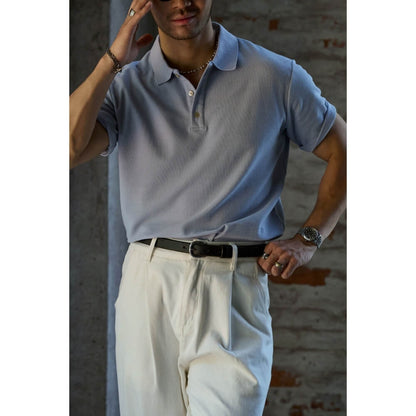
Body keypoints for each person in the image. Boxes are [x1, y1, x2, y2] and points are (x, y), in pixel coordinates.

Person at [70, 0, 346, 415]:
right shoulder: (126, 84)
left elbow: (346, 151)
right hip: (149, 287)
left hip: (234, 288)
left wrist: (309, 239)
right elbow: (68, 149)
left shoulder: (276, 75)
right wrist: (111, 60)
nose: (182, 3)